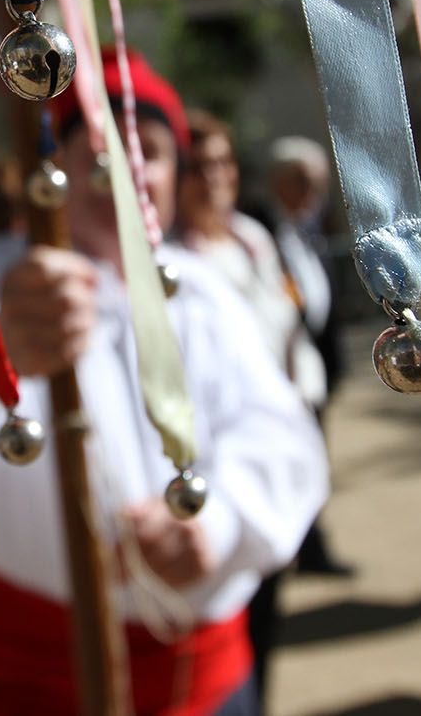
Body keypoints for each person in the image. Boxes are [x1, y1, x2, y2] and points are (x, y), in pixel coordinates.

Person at [0, 48, 327, 716]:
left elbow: (279, 433)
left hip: (200, 678)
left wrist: (218, 521)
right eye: (105, 150)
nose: (131, 171)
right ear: (60, 166)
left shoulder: (203, 287)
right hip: (30, 673)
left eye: (153, 151)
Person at [173, 113, 334, 705]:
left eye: (223, 162)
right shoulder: (165, 260)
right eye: (197, 166)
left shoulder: (252, 237)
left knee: (267, 604)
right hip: (210, 458)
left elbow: (286, 324)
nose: (212, 178)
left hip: (274, 442)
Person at [263, 137, 353, 579]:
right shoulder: (258, 229)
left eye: (316, 184)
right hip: (279, 377)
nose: (311, 194)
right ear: (278, 182)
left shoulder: (308, 230)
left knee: (314, 460)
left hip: (313, 373)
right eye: (302, 182)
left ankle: (314, 548)